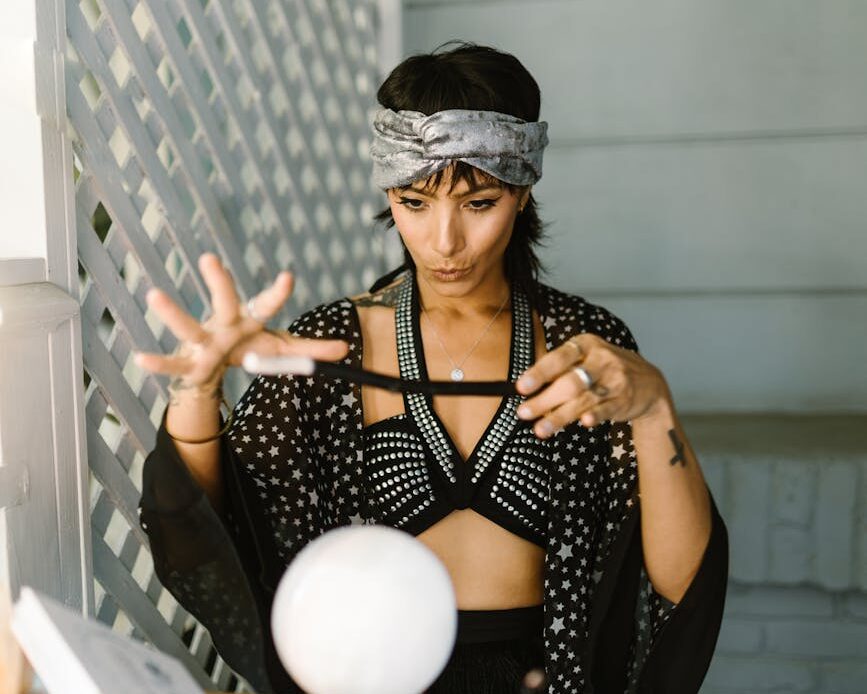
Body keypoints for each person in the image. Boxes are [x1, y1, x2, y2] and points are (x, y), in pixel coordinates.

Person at [136, 42, 727, 694]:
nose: (444, 242)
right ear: (389, 192)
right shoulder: (334, 344)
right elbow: (204, 535)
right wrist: (198, 390)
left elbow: (680, 589)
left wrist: (652, 405)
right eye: (414, 203)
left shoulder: (582, 349)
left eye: (478, 204)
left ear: (523, 192)